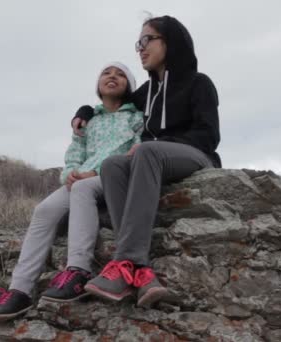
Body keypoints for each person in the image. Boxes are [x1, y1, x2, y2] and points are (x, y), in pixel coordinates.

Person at [72, 16, 222, 308]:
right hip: (153, 160)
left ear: (171, 41)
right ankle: (139, 273)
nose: (140, 49)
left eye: (146, 40)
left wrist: (158, 146)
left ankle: (126, 260)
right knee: (114, 164)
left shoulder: (199, 83)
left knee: (144, 151)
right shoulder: (149, 91)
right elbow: (114, 98)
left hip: (196, 155)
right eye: (137, 43)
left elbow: (209, 136)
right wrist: (85, 112)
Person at [0, 62, 144, 323]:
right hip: (80, 178)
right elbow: (74, 154)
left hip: (113, 177)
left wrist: (98, 172)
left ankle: (78, 272)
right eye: (107, 73)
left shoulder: (135, 117)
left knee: (83, 189)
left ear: (129, 86)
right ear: (98, 83)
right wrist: (68, 174)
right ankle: (20, 290)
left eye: (120, 75)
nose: (112, 77)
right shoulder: (87, 121)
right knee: (44, 210)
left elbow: (136, 150)